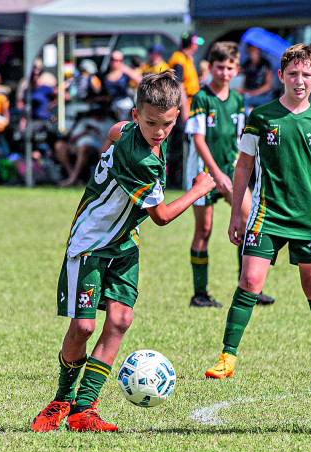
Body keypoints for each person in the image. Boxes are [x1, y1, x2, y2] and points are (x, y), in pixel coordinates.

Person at [30, 70, 216, 433]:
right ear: (137, 115)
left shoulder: (132, 130)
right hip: (91, 242)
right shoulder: (141, 159)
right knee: (83, 327)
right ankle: (61, 400)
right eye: (151, 123)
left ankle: (84, 410)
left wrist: (109, 153)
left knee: (120, 320)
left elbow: (116, 130)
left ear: (177, 116)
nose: (159, 132)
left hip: (124, 241)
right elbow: (161, 216)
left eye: (166, 124)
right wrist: (199, 189)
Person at [205, 43, 311, 380]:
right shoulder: (261, 116)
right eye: (293, 73)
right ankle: (227, 356)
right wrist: (236, 213)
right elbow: (243, 166)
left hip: (306, 217)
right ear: (280, 76)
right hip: (266, 213)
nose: (299, 80)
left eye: (306, 74)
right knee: (250, 280)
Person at [185, 41, 274, 308]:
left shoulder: (236, 99)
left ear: (237, 70)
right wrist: (216, 173)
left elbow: (239, 138)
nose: (224, 73)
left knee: (249, 221)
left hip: (229, 169)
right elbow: (198, 140)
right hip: (203, 173)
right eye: (220, 67)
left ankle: (248, 287)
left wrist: (238, 166)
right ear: (211, 67)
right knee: (204, 229)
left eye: (229, 68)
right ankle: (199, 294)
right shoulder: (202, 98)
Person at [167, 33, 203, 189]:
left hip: (190, 104)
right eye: (195, 43)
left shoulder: (187, 59)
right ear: (190, 44)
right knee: (178, 146)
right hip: (182, 108)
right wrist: (186, 111)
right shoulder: (179, 60)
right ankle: (174, 181)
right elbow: (179, 86)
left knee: (183, 145)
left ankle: (181, 179)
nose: (197, 46)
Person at [53, 104, 117, 187]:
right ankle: (72, 176)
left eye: (99, 113)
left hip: (99, 147)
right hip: (78, 145)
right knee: (59, 145)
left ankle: (74, 179)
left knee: (84, 147)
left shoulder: (110, 123)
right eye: (95, 113)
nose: (97, 115)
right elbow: (71, 139)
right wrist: (84, 132)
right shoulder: (85, 122)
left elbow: (114, 140)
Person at [101, 50, 143, 121]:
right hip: (111, 108)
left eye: (118, 60)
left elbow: (141, 81)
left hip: (125, 106)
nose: (115, 62)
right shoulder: (105, 74)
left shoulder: (124, 72)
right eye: (113, 59)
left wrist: (127, 70)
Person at [240, 44, 273, 114]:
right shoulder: (247, 64)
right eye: (250, 49)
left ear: (258, 50)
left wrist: (253, 93)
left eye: (253, 49)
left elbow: (268, 85)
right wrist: (245, 91)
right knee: (241, 104)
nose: (252, 51)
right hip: (249, 96)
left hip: (264, 96)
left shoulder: (266, 64)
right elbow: (245, 80)